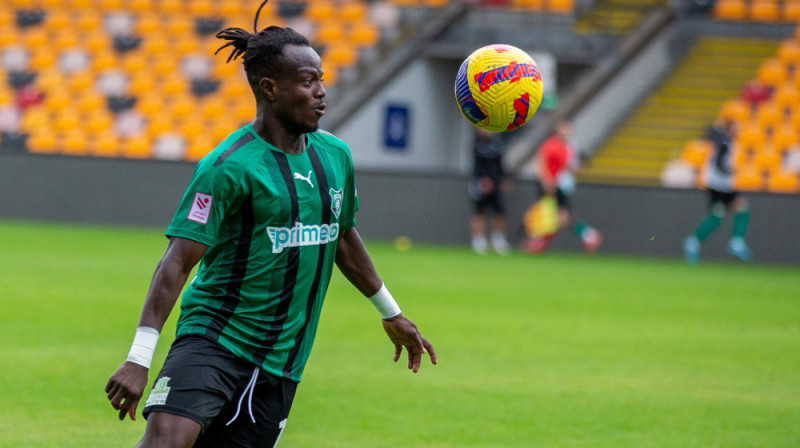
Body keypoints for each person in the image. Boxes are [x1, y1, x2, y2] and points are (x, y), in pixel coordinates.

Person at [104, 3, 437, 447]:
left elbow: (341, 236)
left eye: (321, 77)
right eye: (308, 80)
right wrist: (139, 358)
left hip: (284, 359)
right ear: (270, 88)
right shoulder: (228, 167)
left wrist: (390, 312)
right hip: (215, 339)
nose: (322, 91)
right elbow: (176, 263)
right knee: (165, 441)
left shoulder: (335, 157)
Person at [521, 119, 601, 254]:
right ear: (558, 130)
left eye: (568, 129)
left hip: (558, 186)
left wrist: (577, 167)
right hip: (549, 184)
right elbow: (541, 163)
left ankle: (539, 242)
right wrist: (545, 180)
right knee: (556, 216)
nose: (566, 132)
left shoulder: (570, 147)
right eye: (563, 129)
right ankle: (588, 235)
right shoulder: (552, 144)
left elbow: (570, 166)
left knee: (558, 217)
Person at [683, 120, 752, 265]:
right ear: (729, 128)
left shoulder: (727, 141)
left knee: (732, 211)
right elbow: (719, 162)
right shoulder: (725, 142)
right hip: (718, 185)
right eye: (735, 127)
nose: (738, 130)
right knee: (725, 213)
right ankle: (696, 241)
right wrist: (730, 171)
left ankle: (733, 241)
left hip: (722, 185)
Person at [468, 128, 510, 254]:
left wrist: (503, 179)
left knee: (500, 212)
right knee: (479, 212)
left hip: (495, 183)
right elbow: (477, 166)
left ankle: (498, 240)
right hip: (481, 184)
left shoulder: (498, 144)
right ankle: (478, 240)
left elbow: (500, 165)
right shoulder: (477, 145)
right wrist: (482, 181)